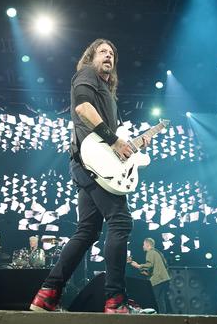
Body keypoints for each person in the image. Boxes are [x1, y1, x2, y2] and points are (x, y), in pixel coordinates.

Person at [30, 39, 150, 314]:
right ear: (91, 57)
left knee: (87, 231)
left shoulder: (107, 92)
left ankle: (48, 295)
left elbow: (114, 141)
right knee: (120, 222)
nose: (109, 56)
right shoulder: (87, 75)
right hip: (92, 164)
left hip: (90, 165)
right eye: (103, 52)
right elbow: (83, 110)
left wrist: (130, 145)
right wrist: (114, 141)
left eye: (112, 54)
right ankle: (115, 300)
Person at [129, 238, 171, 314]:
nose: (143, 246)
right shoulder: (157, 253)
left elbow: (149, 265)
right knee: (161, 300)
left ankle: (160, 317)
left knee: (157, 300)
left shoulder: (150, 252)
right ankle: (163, 316)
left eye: (143, 244)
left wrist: (138, 266)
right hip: (164, 279)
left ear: (147, 244)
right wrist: (137, 266)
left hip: (158, 280)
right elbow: (150, 272)